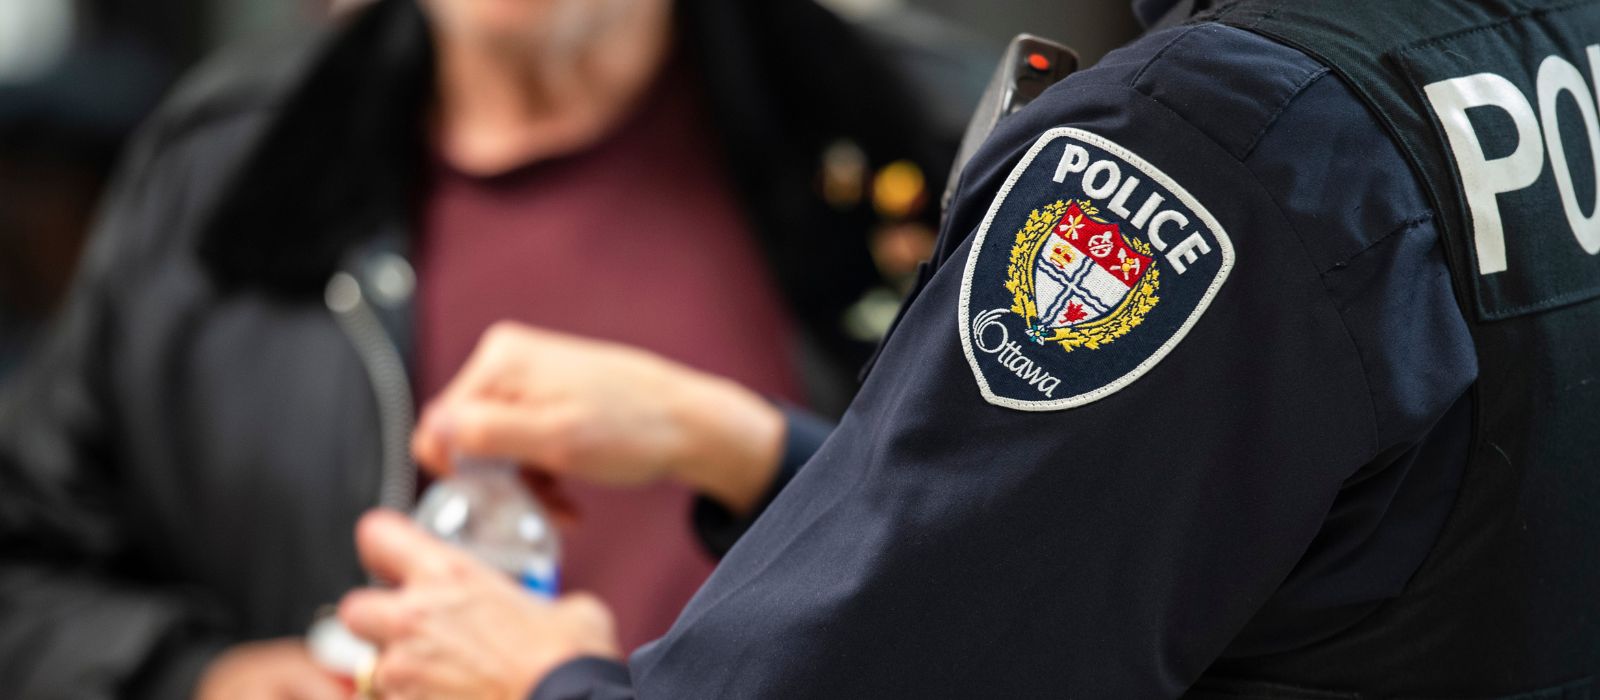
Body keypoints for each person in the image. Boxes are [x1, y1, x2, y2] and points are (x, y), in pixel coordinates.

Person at [336, 0, 1600, 696]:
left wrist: (544, 682)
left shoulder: (1210, 145)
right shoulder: (1536, 53)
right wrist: (748, 449)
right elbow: (1273, 533)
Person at [0, 0, 971, 696]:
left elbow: (1048, 586)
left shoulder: (932, 147)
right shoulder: (224, 166)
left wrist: (744, 446)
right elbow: (28, 564)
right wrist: (206, 675)